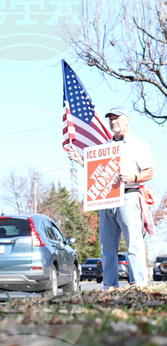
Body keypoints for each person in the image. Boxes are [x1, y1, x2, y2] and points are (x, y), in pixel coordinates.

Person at [68, 107, 154, 288]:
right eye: (111, 119)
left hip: (128, 197)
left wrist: (134, 178)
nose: (113, 121)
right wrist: (80, 160)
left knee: (134, 244)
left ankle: (138, 284)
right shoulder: (105, 147)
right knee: (107, 248)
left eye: (117, 118)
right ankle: (109, 286)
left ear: (128, 120)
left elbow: (149, 172)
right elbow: (95, 173)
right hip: (106, 200)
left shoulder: (139, 144)